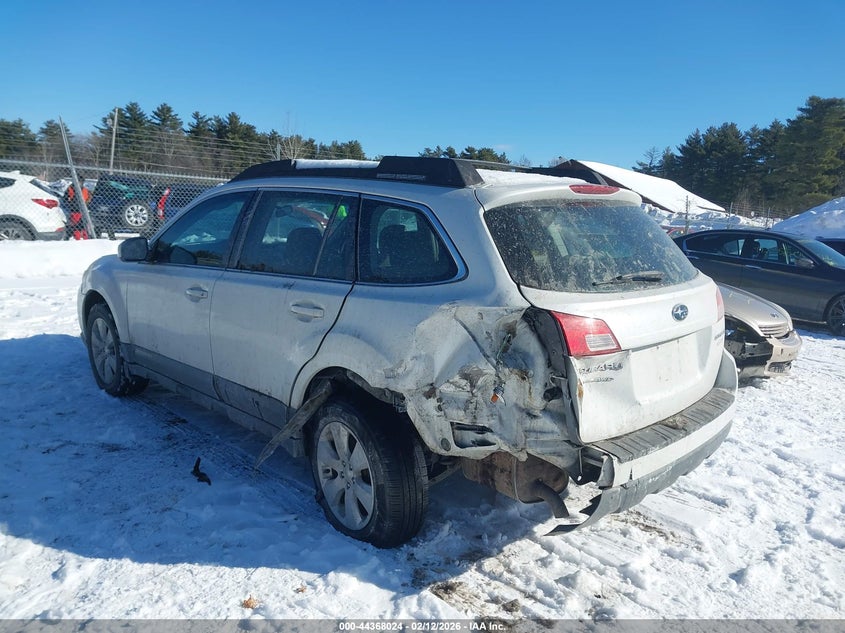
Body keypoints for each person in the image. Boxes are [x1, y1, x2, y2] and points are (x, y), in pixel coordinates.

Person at [63, 175, 91, 240]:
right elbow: (65, 198)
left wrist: (87, 204)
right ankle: (77, 238)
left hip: (83, 211)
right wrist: (70, 203)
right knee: (76, 226)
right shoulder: (71, 188)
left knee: (83, 226)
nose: (79, 183)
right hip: (74, 210)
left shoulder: (85, 190)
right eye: (78, 181)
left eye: (80, 182)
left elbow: (89, 199)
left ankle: (85, 238)